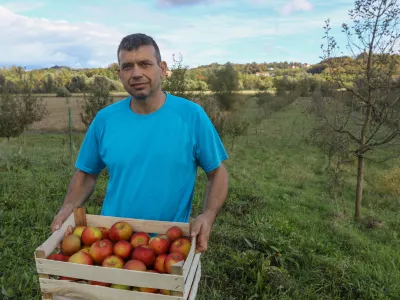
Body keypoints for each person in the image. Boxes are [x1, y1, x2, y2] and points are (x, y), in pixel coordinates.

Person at [50, 33, 229, 253]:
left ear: (162, 69)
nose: (136, 73)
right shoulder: (105, 120)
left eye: (145, 64)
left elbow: (217, 172)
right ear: (119, 74)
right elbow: (86, 174)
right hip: (112, 244)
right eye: (127, 67)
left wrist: (208, 215)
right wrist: (68, 207)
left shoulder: (191, 116)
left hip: (168, 246)